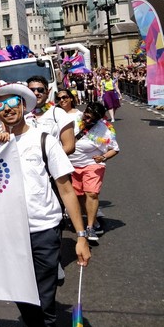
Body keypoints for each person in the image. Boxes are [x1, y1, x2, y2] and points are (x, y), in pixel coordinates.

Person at [0, 82, 90, 326]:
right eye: (0, 105)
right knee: (21, 294)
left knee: (44, 297)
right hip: (10, 233)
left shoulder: (44, 140)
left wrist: (81, 236)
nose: (7, 109)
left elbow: (66, 190)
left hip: (44, 230)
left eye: (12, 103)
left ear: (23, 105)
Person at [69, 102, 119, 241]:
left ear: (98, 118)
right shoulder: (73, 120)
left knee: (91, 193)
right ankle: (94, 219)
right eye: (86, 115)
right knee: (78, 196)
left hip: (92, 165)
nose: (87, 119)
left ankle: (90, 227)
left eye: (92, 117)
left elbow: (115, 149)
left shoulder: (104, 130)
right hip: (72, 165)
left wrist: (103, 157)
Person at [26, 76, 76, 155]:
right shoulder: (22, 115)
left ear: (48, 92)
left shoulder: (58, 113)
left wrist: (46, 159)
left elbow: (69, 147)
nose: (36, 93)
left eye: (40, 90)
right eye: (32, 90)